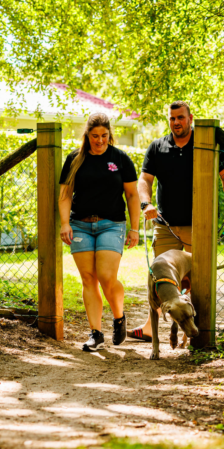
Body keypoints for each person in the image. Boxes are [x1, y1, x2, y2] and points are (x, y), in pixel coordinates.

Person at [127, 100, 224, 342]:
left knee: (196, 282)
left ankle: (198, 333)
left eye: (180, 117)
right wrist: (146, 204)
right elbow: (144, 180)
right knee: (160, 281)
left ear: (190, 118)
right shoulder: (157, 147)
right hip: (165, 225)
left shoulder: (207, 144)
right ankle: (150, 327)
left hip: (198, 227)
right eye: (172, 118)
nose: (176, 122)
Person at [59, 113, 140, 351]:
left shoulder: (120, 159)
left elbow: (133, 195)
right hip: (81, 225)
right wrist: (65, 223)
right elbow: (65, 194)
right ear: (87, 135)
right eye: (95, 136)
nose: (100, 140)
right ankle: (96, 333)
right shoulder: (75, 159)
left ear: (109, 135)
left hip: (112, 223)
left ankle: (118, 317)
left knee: (106, 276)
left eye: (104, 136)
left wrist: (134, 228)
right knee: (88, 279)